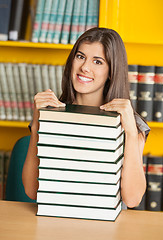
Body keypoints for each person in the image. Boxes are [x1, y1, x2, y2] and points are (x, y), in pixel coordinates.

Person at [22, 27, 150, 208]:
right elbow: (32, 190)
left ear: (111, 71)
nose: (85, 67)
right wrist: (37, 125)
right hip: (57, 218)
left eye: (98, 62)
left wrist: (130, 132)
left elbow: (132, 199)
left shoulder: (132, 124)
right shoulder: (51, 113)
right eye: (80, 57)